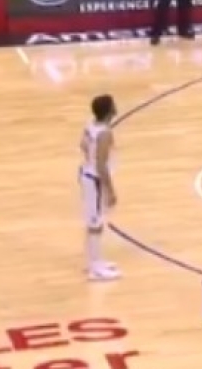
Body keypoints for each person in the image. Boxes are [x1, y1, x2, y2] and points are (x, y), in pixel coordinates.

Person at [81, 94, 120, 281]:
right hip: (95, 180)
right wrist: (110, 190)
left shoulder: (90, 125)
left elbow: (82, 145)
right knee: (95, 225)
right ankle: (95, 269)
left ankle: (95, 262)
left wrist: (89, 159)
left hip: (88, 176)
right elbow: (101, 165)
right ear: (109, 111)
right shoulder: (104, 133)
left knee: (95, 223)